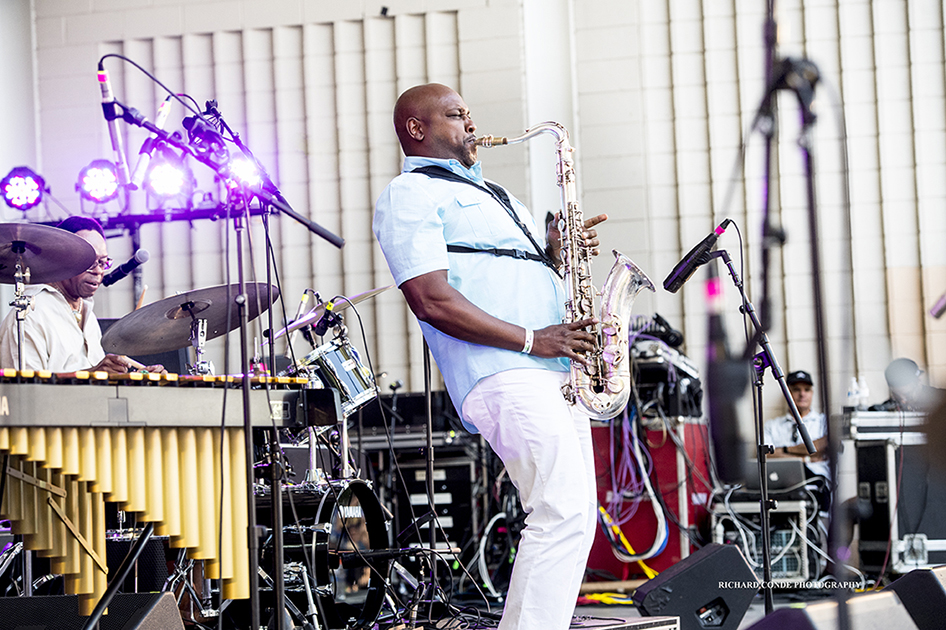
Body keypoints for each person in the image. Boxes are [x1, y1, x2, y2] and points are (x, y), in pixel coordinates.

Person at [373, 83, 605, 630]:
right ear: (416, 129)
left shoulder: (504, 198)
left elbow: (510, 276)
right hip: (506, 369)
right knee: (560, 510)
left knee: (574, 516)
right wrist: (532, 339)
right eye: (456, 115)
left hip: (554, 371)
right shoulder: (410, 195)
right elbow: (430, 300)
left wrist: (553, 254)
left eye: (469, 114)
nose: (470, 124)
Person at [0, 216, 163, 374]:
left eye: (103, 262)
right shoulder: (29, 316)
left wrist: (140, 377)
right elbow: (26, 393)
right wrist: (93, 374)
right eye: (89, 261)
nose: (98, 270)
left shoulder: (87, 314)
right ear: (60, 258)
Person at [763, 369, 830, 480]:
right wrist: (806, 459)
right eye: (796, 390)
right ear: (787, 393)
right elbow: (766, 456)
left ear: (812, 393)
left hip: (817, 484)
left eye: (807, 390)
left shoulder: (824, 422)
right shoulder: (772, 426)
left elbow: (824, 446)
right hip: (783, 483)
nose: (802, 394)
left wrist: (784, 450)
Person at [869, 357, 945, 412]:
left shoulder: (942, 400)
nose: (903, 401)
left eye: (908, 394)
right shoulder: (886, 408)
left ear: (919, 380)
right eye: (897, 396)